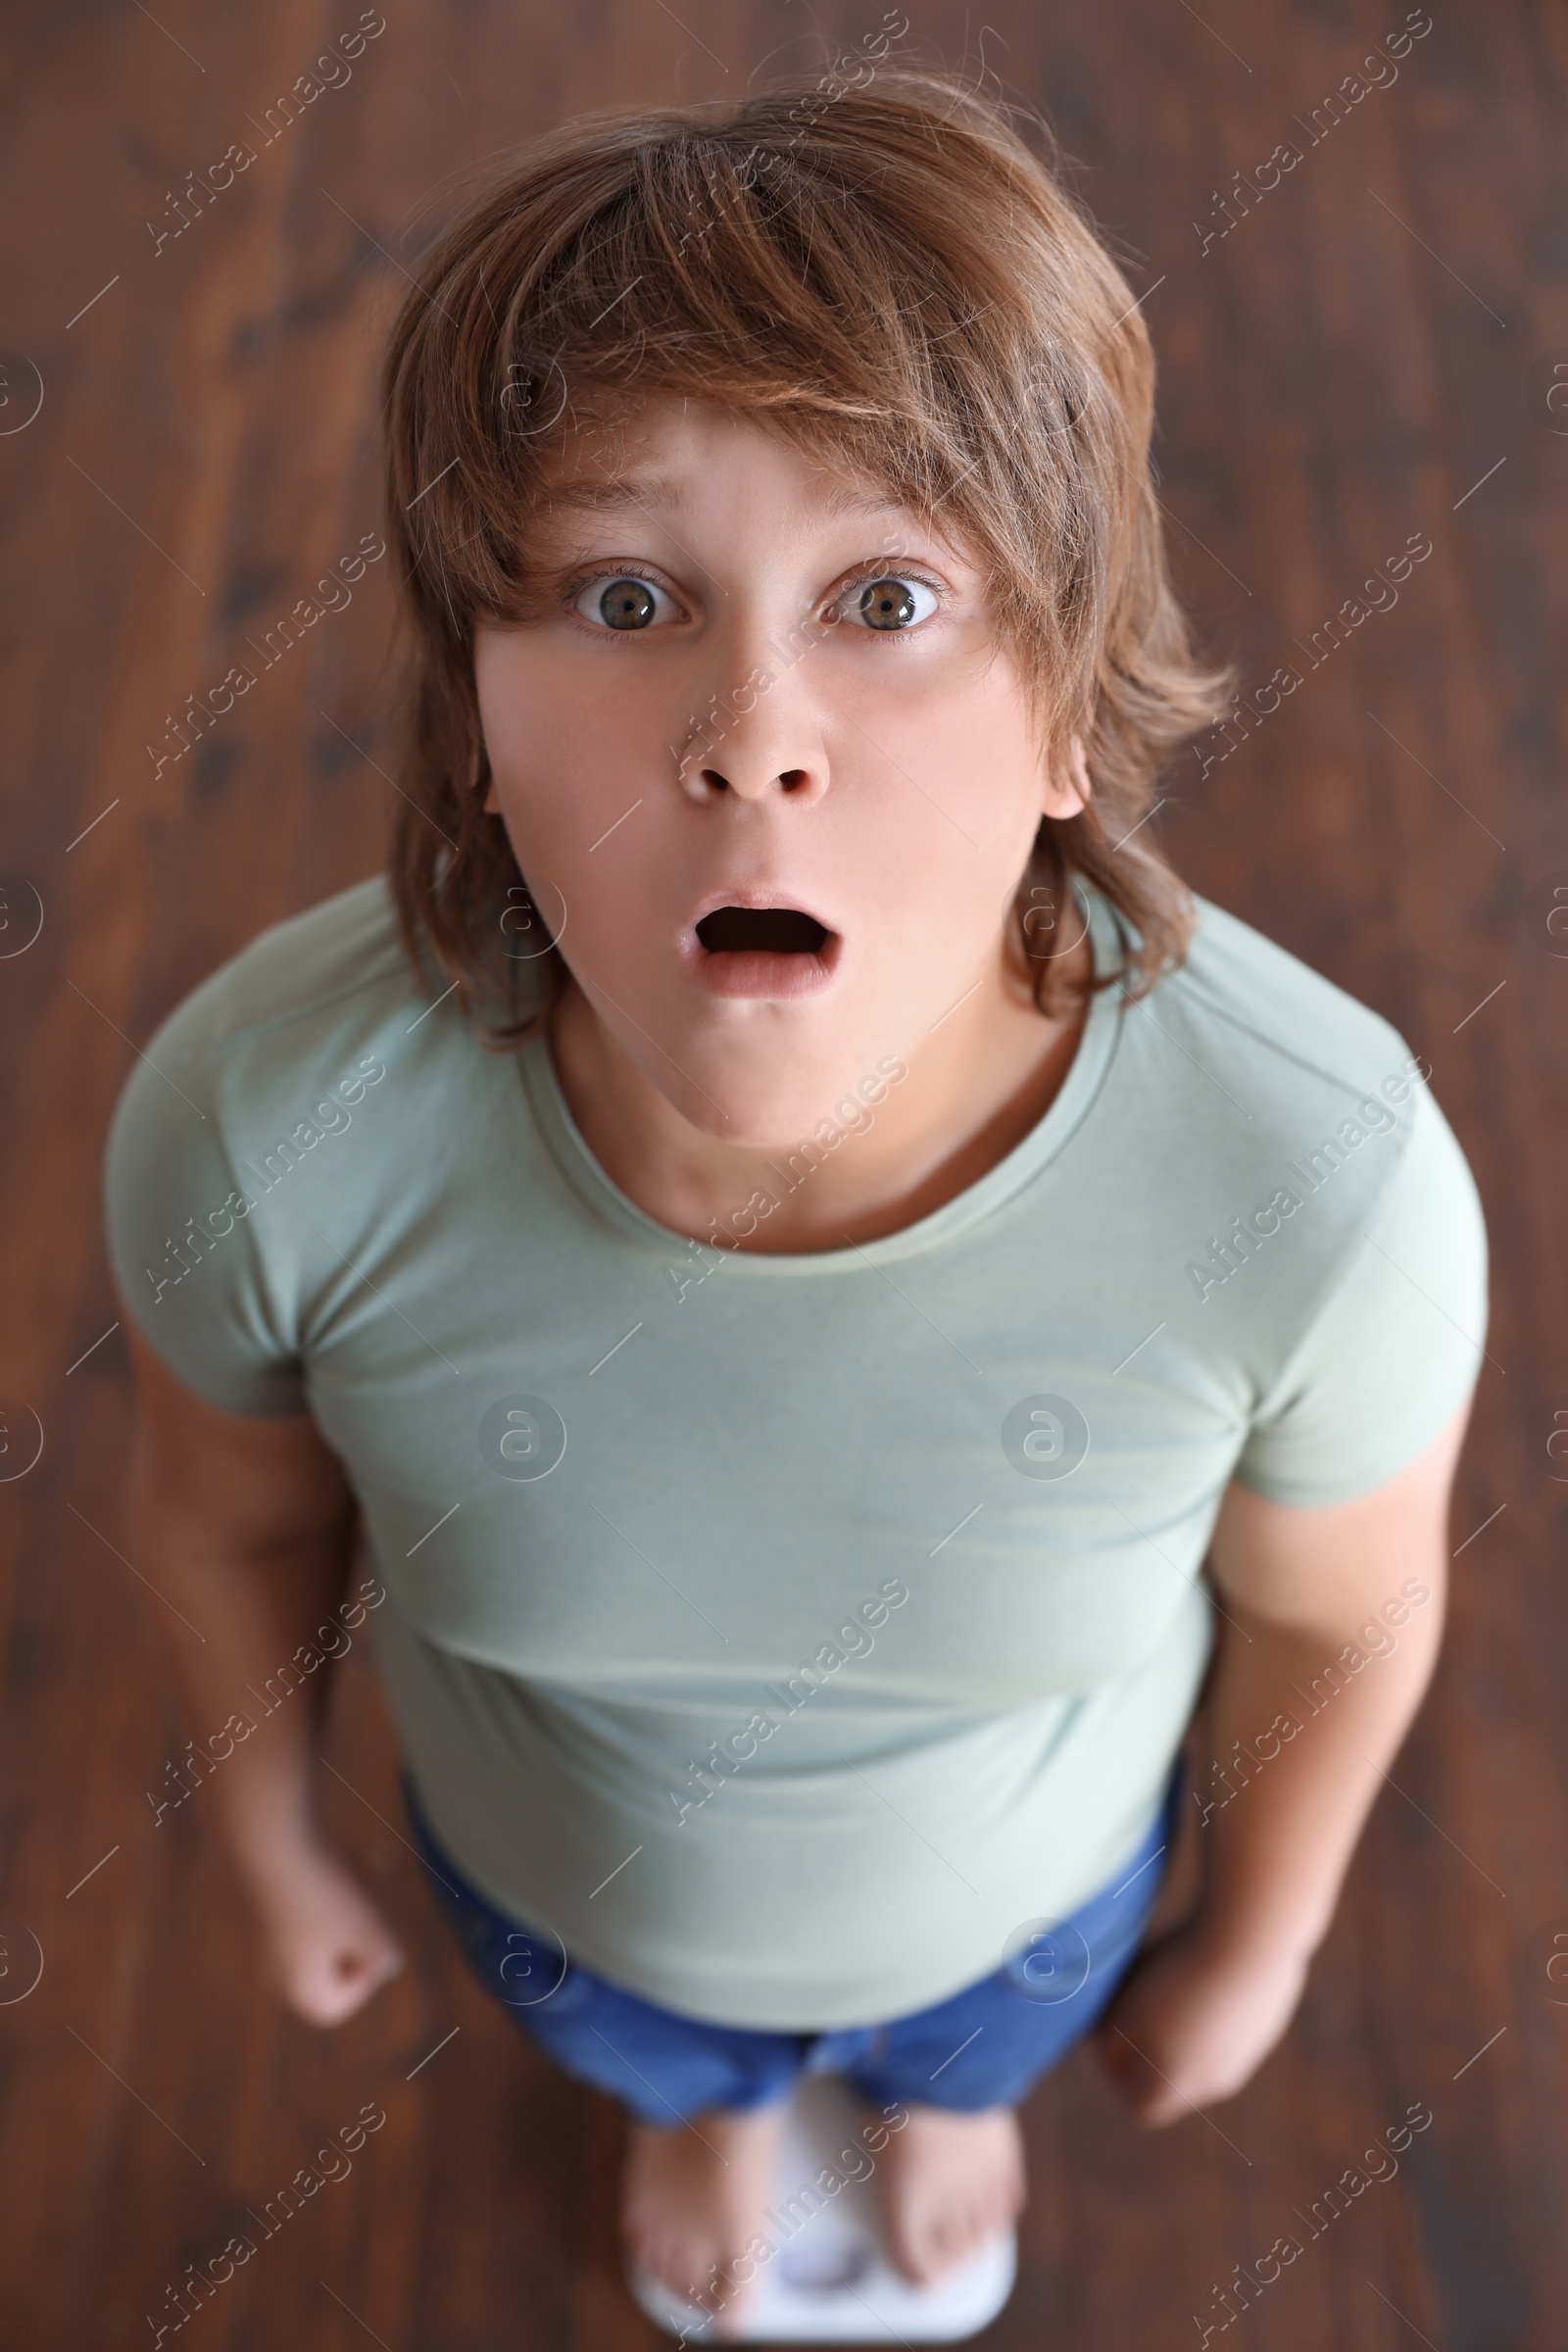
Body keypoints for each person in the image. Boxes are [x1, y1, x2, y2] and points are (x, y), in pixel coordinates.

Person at [104, 68, 1488, 2338]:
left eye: (886, 593)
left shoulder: (1309, 1184)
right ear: (473, 711)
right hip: (559, 1904)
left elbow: (1335, 1620)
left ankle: (946, 2096)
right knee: (647, 2040)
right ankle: (702, 2105)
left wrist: (1258, 1939)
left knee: (971, 2040)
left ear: (1065, 715)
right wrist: (264, 1836)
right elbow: (233, 1524)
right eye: (625, 591)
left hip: (1030, 1916)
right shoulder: (272, 1126)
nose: (749, 732)